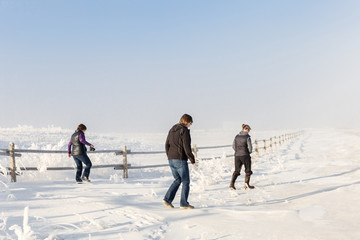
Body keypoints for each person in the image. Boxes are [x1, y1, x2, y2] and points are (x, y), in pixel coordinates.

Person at [162, 114, 196, 209]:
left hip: (171, 159)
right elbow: (186, 146)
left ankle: (167, 199)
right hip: (180, 159)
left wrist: (169, 156)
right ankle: (184, 203)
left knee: (177, 180)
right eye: (190, 123)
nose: (190, 125)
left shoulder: (172, 129)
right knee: (185, 181)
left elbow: (166, 144)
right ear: (187, 122)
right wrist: (192, 159)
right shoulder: (184, 130)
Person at [230, 124, 255, 190]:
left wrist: (238, 151)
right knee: (248, 170)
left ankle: (232, 184)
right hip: (245, 155)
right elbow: (250, 148)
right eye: (249, 130)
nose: (249, 131)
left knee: (236, 171)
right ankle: (246, 184)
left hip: (237, 156)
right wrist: (248, 152)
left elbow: (233, 146)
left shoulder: (236, 136)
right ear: (247, 129)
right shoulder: (247, 137)